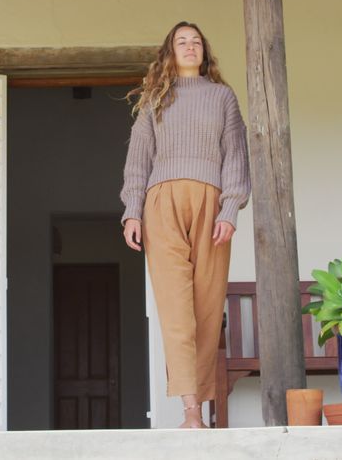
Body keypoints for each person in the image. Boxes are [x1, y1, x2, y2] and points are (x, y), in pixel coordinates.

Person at [120, 21, 250, 429]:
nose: (190, 47)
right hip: (161, 203)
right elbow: (138, 159)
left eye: (196, 42)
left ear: (205, 52)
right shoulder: (155, 98)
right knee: (176, 310)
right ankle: (191, 411)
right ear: (170, 53)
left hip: (211, 203)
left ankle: (201, 407)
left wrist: (230, 209)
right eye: (182, 42)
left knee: (207, 307)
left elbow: (236, 156)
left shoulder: (222, 97)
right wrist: (132, 211)